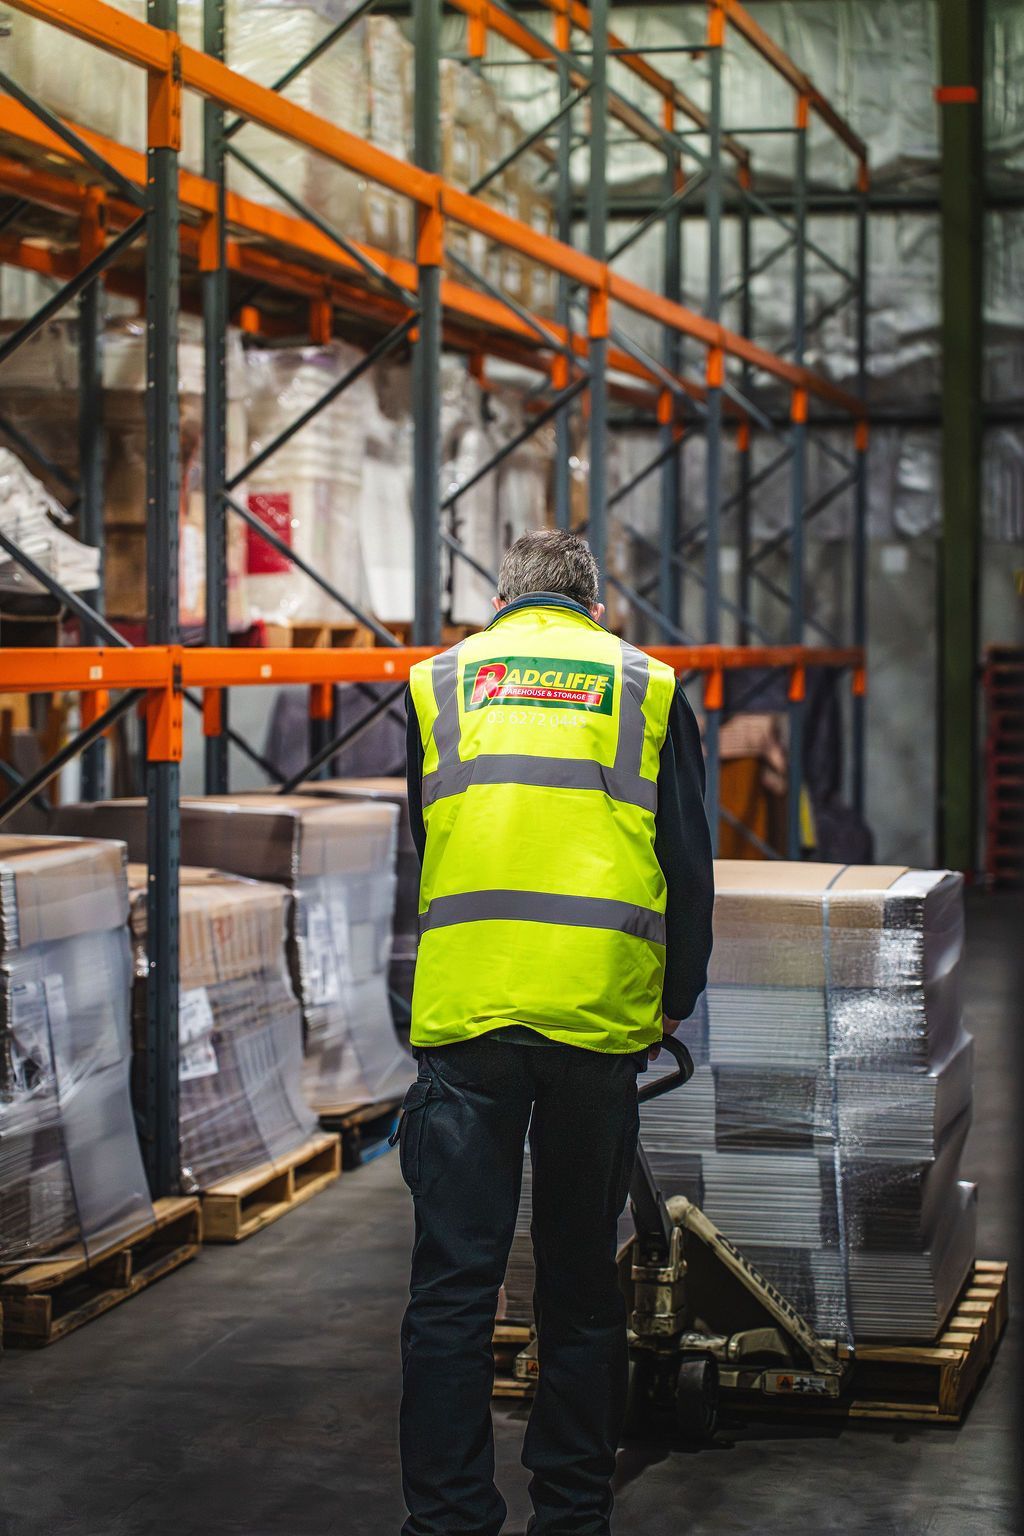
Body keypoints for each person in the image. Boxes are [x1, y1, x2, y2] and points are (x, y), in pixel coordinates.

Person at [397, 528, 714, 1536]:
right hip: (594, 1013)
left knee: (453, 1287)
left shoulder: (438, 681)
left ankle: (446, 1518)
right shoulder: (646, 683)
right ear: (593, 601)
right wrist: (679, 991)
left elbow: (425, 830)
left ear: (505, 601)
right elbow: (687, 858)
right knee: (579, 1284)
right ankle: (572, 1514)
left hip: (467, 1013)